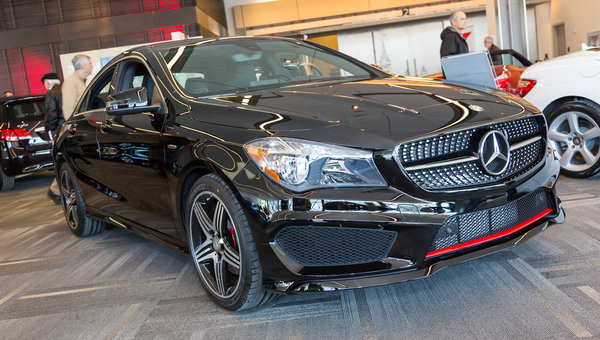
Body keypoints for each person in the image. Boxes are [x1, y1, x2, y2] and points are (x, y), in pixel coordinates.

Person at [41, 72, 63, 204]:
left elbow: (52, 113)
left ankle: (54, 190)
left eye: (44, 83)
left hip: (58, 131)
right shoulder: (66, 90)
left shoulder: (51, 93)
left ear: (48, 82)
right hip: (69, 128)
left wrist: (50, 128)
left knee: (59, 159)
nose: (45, 86)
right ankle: (56, 189)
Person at [62, 54, 93, 119]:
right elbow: (68, 109)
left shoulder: (80, 81)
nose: (92, 66)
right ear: (83, 66)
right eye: (90, 64)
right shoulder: (71, 81)